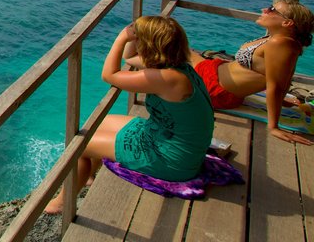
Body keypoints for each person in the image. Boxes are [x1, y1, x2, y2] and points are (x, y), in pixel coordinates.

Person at [44, 16, 213, 214]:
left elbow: (109, 75)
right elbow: (129, 59)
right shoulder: (176, 66)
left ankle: (63, 202)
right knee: (101, 122)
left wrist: (121, 38)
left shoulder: (166, 78)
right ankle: (88, 174)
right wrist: (133, 39)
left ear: (149, 44)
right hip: (169, 138)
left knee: (79, 146)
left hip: (171, 159)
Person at [187, 0, 314, 146]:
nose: (264, 9)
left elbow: (277, 84)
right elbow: (285, 75)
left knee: (167, 55)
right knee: (179, 47)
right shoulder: (276, 39)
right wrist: (283, 100)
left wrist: (273, 126)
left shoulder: (280, 44)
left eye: (272, 9)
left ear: (287, 23)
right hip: (213, 72)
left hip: (214, 88)